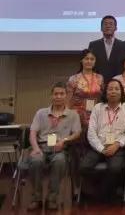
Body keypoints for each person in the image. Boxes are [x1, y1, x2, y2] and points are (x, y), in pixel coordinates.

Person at [26, 83, 82, 211]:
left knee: (60, 161)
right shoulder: (41, 113)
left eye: (62, 94)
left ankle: (52, 199)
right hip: (41, 146)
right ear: (51, 96)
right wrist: (35, 148)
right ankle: (36, 198)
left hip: (60, 149)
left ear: (66, 96)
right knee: (35, 161)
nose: (58, 96)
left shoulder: (73, 114)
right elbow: (33, 133)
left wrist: (64, 140)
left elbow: (77, 133)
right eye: (56, 94)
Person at [81, 79, 125, 202]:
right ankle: (95, 192)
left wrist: (117, 144)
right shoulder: (97, 108)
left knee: (115, 168)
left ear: (121, 92)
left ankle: (105, 194)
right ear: (105, 92)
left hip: (117, 147)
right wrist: (101, 149)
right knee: (84, 167)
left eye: (116, 89)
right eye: (110, 89)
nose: (113, 91)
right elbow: (91, 133)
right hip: (98, 146)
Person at [67, 49, 105, 129]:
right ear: (81, 60)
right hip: (77, 116)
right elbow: (68, 101)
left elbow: (103, 99)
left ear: (95, 61)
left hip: (96, 115)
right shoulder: (74, 79)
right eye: (86, 59)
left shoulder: (100, 78)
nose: (89, 61)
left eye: (92, 59)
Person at [88, 15, 125, 81]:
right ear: (101, 28)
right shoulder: (93, 45)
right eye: (105, 24)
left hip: (117, 83)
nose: (108, 26)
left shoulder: (123, 45)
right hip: (98, 82)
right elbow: (90, 65)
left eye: (111, 24)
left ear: (116, 28)